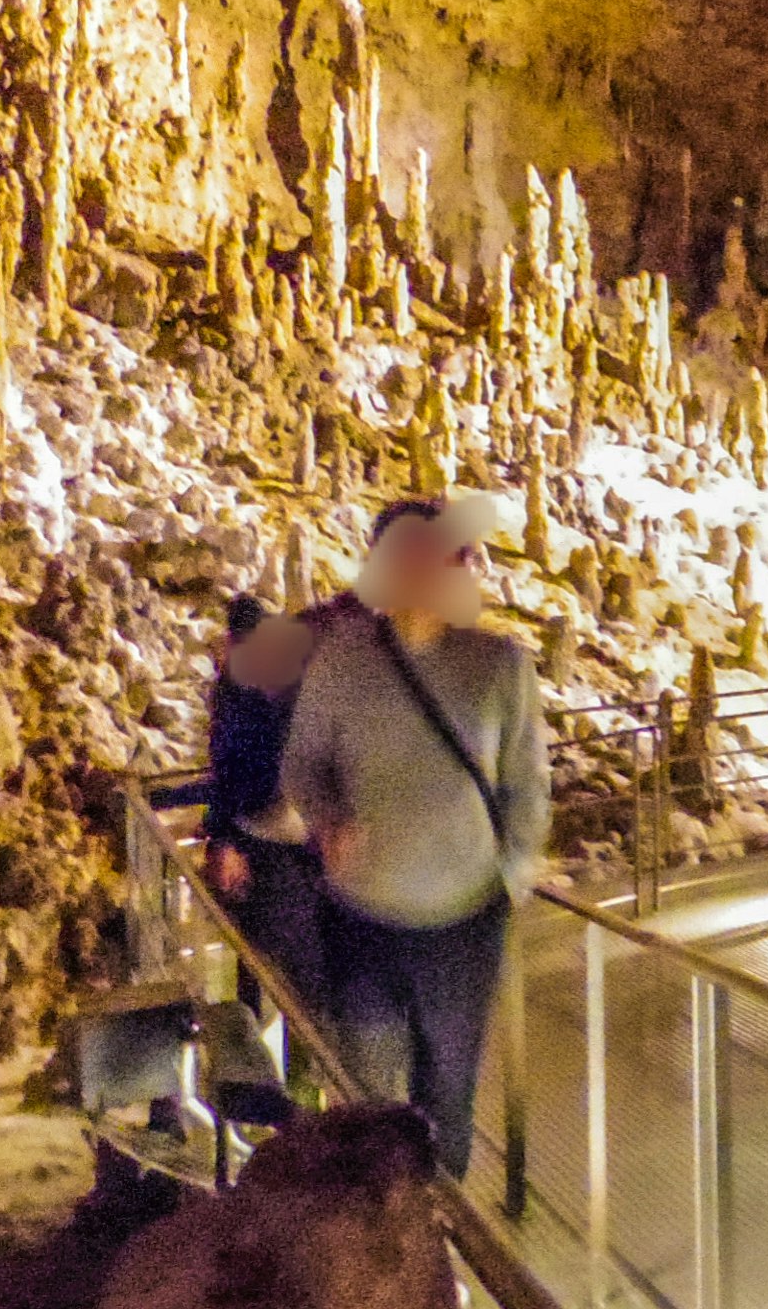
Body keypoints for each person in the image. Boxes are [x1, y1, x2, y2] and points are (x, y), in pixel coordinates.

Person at [280, 492, 549, 1170]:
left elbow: (527, 782)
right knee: (369, 1097)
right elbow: (304, 764)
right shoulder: (340, 664)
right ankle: (377, 1240)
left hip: (463, 922)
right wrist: (327, 821)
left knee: (446, 1096)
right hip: (362, 914)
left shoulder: (500, 665)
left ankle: (437, 1236)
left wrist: (511, 875)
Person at [205, 593, 331, 1014]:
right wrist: (223, 838)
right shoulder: (236, 697)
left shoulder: (293, 688)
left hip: (308, 845)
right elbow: (226, 771)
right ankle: (275, 1052)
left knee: (309, 966)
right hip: (265, 842)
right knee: (284, 963)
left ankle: (304, 1063)